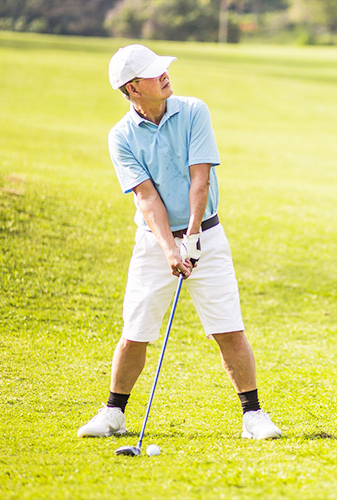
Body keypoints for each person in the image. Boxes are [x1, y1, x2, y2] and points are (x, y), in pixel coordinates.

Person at [78, 44, 281, 440]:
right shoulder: (120, 136)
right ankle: (114, 413)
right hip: (153, 242)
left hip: (206, 233)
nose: (165, 74)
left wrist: (190, 237)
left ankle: (253, 415)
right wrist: (170, 249)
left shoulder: (193, 111)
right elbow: (146, 197)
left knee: (228, 328)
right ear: (133, 88)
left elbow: (199, 178)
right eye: (155, 73)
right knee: (135, 330)